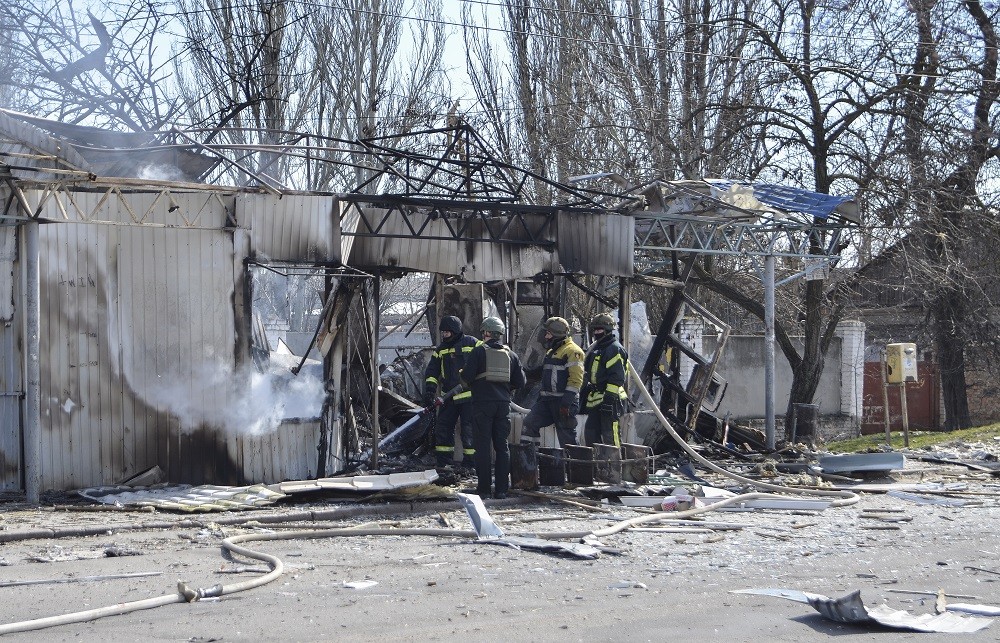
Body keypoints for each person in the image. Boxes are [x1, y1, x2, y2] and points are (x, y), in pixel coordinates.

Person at [460, 316, 526, 499]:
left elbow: (466, 377)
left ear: (486, 333)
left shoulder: (479, 351)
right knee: (502, 447)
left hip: (482, 405)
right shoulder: (511, 354)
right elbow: (521, 382)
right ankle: (502, 490)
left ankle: (483, 489)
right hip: (503, 406)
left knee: (482, 447)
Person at [424, 315, 479, 469]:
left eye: (447, 332)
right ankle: (444, 464)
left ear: (455, 331)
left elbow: (485, 358)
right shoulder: (441, 350)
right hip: (448, 397)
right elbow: (432, 372)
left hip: (469, 397)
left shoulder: (472, 343)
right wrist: (430, 390)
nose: (444, 335)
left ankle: (470, 465)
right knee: (443, 428)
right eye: (443, 332)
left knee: (469, 431)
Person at [521, 317, 585, 448]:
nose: (546, 336)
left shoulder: (573, 351)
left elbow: (575, 380)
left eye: (548, 333)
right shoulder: (552, 352)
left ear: (556, 334)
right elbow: (545, 373)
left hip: (564, 402)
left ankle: (575, 466)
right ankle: (530, 461)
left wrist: (566, 403)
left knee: (567, 438)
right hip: (547, 402)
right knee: (530, 423)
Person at [582, 313, 629, 447]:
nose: (597, 333)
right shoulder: (596, 348)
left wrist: (609, 400)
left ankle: (615, 464)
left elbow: (617, 377)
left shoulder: (614, 349)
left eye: (600, 330)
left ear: (608, 330)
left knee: (610, 435)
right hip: (596, 399)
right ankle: (597, 464)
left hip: (611, 400)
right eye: (595, 330)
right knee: (590, 433)